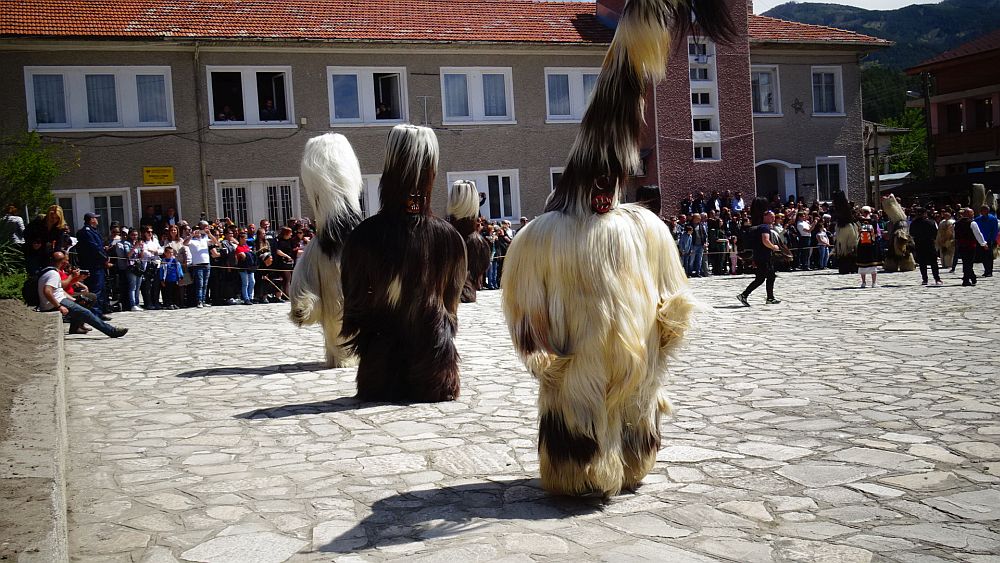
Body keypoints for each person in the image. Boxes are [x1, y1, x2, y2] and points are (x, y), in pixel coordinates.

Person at [37, 251, 127, 338]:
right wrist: (59, 306)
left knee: (85, 302)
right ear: (62, 262)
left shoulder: (48, 271)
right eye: (65, 260)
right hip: (55, 303)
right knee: (86, 312)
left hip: (60, 300)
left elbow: (59, 290)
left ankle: (75, 328)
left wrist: (74, 300)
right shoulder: (53, 274)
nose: (67, 262)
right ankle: (111, 331)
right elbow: (47, 291)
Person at [737, 197, 781, 306]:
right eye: (771, 217)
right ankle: (744, 295)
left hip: (761, 256)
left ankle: (770, 298)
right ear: (765, 217)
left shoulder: (762, 227)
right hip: (763, 257)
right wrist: (773, 247)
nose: (773, 219)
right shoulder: (764, 228)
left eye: (774, 217)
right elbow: (765, 241)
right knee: (762, 278)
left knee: (768, 277)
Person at [75, 212, 111, 318]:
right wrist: (104, 258)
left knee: (101, 289)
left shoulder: (93, 231)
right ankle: (94, 314)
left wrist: (105, 251)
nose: (97, 220)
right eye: (95, 218)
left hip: (98, 264)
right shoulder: (87, 232)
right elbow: (94, 248)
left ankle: (99, 312)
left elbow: (99, 246)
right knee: (96, 289)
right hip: (93, 264)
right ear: (91, 220)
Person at [185, 224, 217, 308]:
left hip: (206, 263)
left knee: (205, 284)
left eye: (198, 231)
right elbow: (185, 243)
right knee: (200, 284)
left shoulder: (204, 239)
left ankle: (203, 300)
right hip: (197, 264)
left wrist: (209, 233)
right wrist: (191, 235)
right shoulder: (192, 241)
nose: (197, 232)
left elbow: (215, 242)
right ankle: (199, 301)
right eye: (196, 231)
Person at [909, 207, 942, 286]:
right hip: (930, 243)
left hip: (919, 244)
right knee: (933, 262)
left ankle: (925, 279)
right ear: (925, 213)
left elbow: (911, 233)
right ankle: (937, 278)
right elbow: (935, 233)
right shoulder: (931, 222)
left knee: (922, 262)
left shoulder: (913, 223)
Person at [955, 207, 988, 287]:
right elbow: (978, 234)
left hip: (961, 246)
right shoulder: (972, 223)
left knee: (966, 262)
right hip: (970, 246)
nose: (973, 215)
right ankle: (966, 280)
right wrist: (983, 244)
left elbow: (955, 235)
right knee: (968, 263)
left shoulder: (957, 223)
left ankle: (972, 277)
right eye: (972, 213)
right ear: (968, 214)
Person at [856, 206, 881, 288]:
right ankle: (874, 283)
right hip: (871, 244)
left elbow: (857, 232)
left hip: (862, 244)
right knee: (873, 264)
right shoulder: (873, 221)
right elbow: (876, 233)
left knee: (862, 263)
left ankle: (863, 282)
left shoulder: (859, 221)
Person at [973, 205, 998, 277]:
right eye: (982, 210)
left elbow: (995, 230)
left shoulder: (993, 219)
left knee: (989, 256)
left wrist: (993, 239)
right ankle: (986, 270)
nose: (984, 211)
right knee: (983, 256)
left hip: (989, 240)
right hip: (980, 240)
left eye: (985, 210)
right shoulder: (977, 219)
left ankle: (989, 271)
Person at [235, 231, 256, 305]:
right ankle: (246, 298)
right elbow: (241, 257)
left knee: (252, 281)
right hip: (243, 267)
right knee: (245, 283)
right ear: (240, 238)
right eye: (244, 238)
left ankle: (251, 297)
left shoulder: (246, 246)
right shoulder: (238, 248)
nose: (246, 240)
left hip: (250, 267)